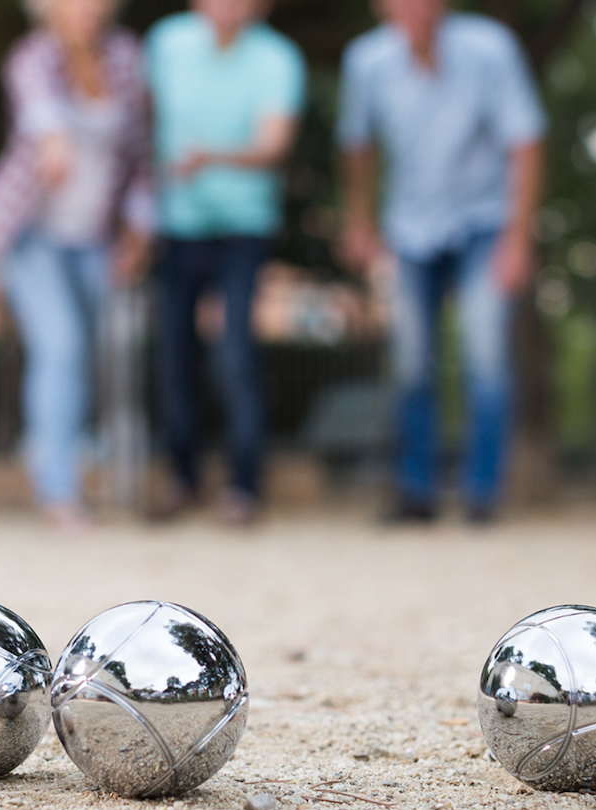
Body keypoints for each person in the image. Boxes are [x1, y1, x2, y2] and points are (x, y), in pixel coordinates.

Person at [337, 0, 546, 525]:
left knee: (486, 357)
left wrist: (518, 238)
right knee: (411, 363)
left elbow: (526, 143)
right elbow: (357, 145)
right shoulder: (366, 62)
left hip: (484, 222)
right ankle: (417, 492)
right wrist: (359, 220)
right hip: (409, 225)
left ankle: (481, 494)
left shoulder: (491, 50)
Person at [0, 0, 154, 531]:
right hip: (27, 232)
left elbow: (141, 152)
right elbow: (41, 117)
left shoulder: (127, 59)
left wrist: (139, 230)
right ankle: (58, 492)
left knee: (89, 353)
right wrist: (53, 144)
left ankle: (62, 463)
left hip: (93, 235)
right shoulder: (31, 58)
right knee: (61, 345)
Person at [143, 0, 306, 525]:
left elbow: (275, 143)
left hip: (244, 225)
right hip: (176, 224)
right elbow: (144, 121)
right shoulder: (166, 43)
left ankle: (244, 485)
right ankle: (182, 477)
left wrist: (210, 157)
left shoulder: (278, 58)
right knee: (173, 355)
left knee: (235, 353)